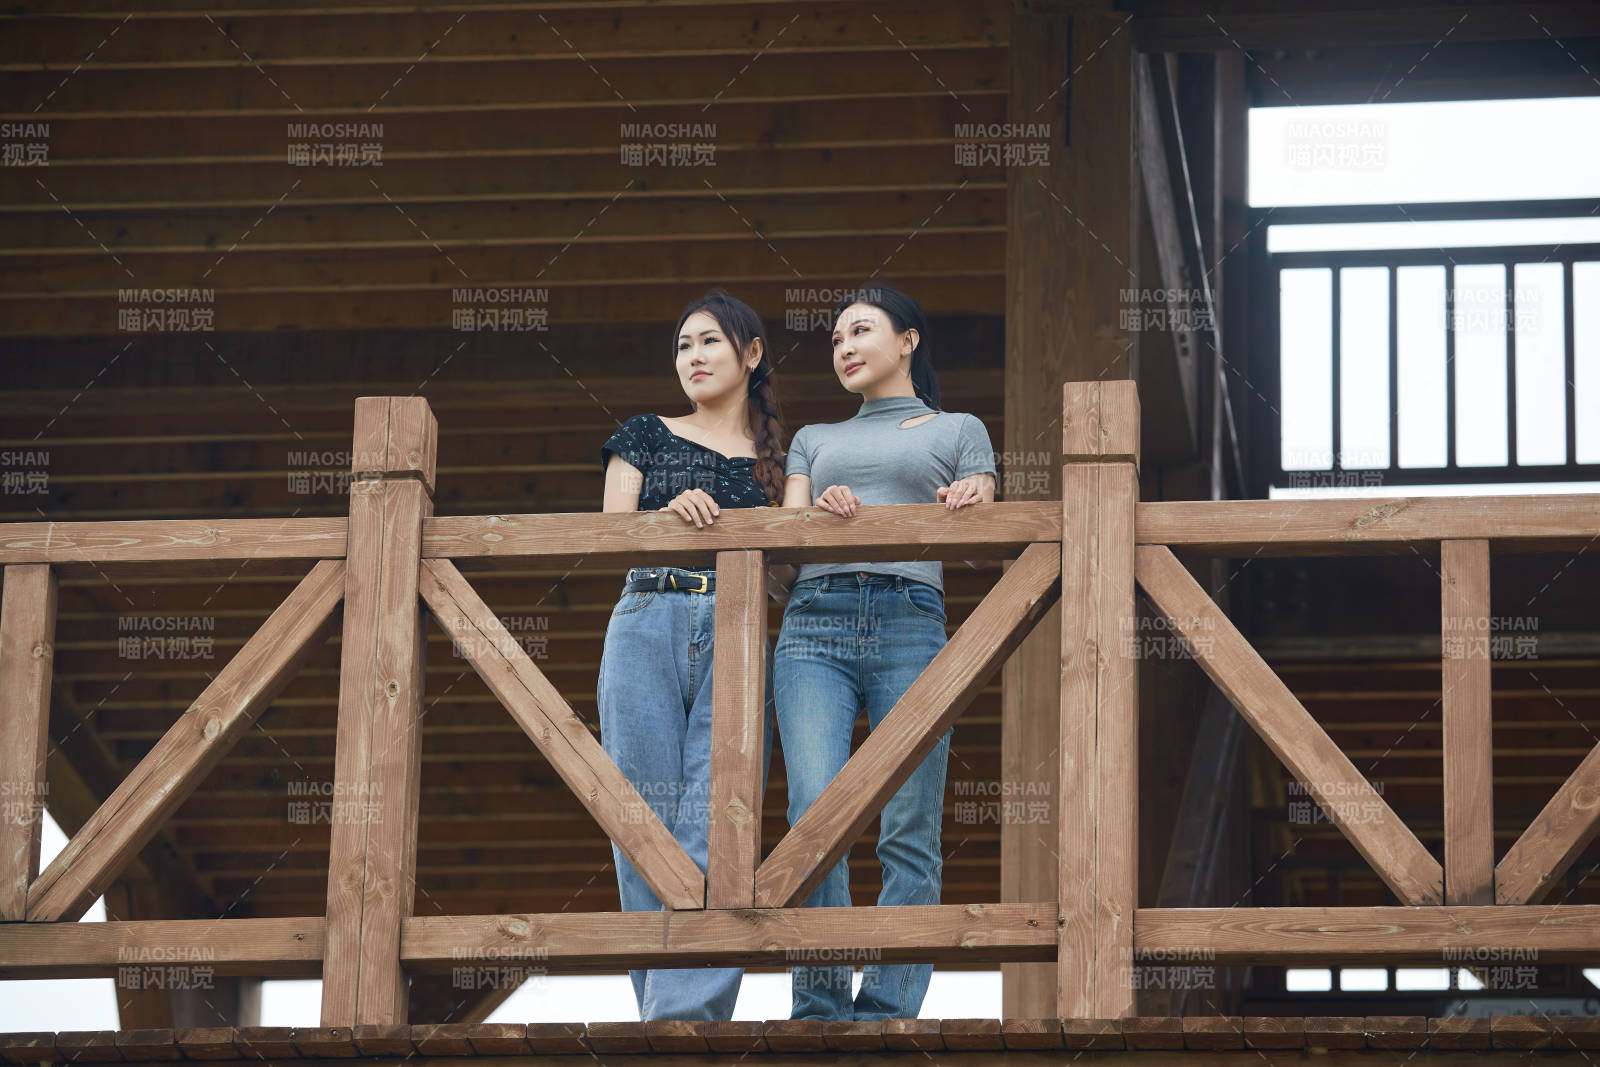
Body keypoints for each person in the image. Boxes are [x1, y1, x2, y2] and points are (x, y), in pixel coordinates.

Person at [774, 284, 997, 1020]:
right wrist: (817, 514)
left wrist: (969, 501)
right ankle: (819, 1003)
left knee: (910, 818)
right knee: (814, 812)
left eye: (860, 330)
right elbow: (785, 545)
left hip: (911, 619)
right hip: (814, 622)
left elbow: (985, 526)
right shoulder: (812, 439)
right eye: (836, 338)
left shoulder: (959, 428)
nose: (844, 346)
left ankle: (889, 1007)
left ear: (908, 341)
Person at [597, 288, 785, 1020]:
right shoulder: (643, 434)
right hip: (646, 616)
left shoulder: (778, 461)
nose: (694, 357)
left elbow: (790, 575)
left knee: (720, 817)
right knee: (639, 819)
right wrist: (666, 517)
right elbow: (609, 535)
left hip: (739, 627)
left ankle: (680, 1018)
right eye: (683, 345)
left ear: (752, 353)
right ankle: (670, 1014)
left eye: (709, 341)